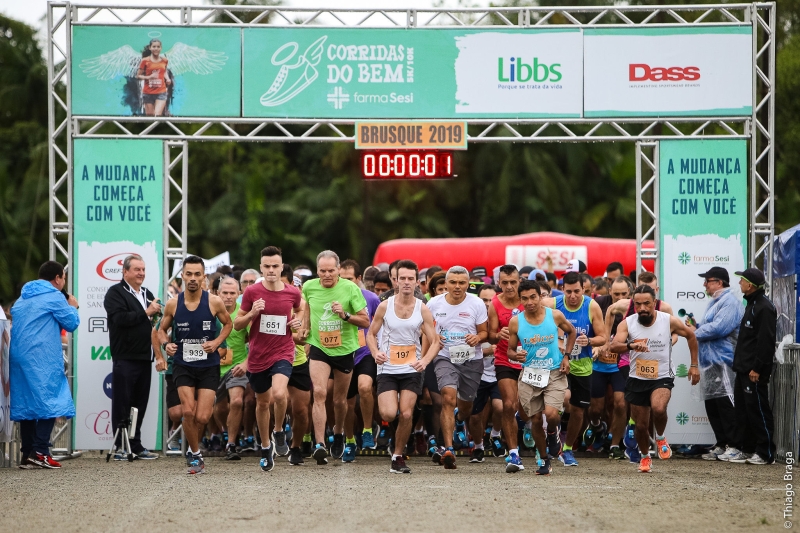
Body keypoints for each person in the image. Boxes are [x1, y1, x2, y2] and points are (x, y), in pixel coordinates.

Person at [610, 285, 700, 473]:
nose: (642, 308)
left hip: (662, 375)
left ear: (654, 303)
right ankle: (644, 457)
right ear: (633, 304)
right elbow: (614, 346)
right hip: (637, 377)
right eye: (638, 304)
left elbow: (691, 335)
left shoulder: (667, 321)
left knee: (659, 408)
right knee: (641, 426)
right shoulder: (627, 323)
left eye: (646, 304)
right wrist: (631, 345)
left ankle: (660, 436)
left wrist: (693, 365)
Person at [158, 256, 232, 474]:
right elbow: (161, 330)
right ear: (182, 275)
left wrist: (217, 342)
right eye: (188, 274)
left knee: (202, 416)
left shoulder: (214, 302)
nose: (192, 278)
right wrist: (166, 345)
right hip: (183, 364)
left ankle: (193, 447)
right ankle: (195, 455)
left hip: (208, 366)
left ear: (203, 277)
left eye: (197, 274)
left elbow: (228, 324)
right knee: (187, 412)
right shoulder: (173, 304)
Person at [234, 247, 303, 471]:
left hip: (283, 351)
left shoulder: (292, 292)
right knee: (262, 403)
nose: (271, 270)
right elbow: (237, 324)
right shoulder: (252, 292)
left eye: (275, 266)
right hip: (257, 356)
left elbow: (301, 309)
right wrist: (253, 313)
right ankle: (265, 446)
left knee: (280, 393)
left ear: (281, 267)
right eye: (267, 266)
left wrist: (297, 322)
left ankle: (279, 430)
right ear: (261, 267)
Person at [367, 260, 440, 473]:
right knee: (389, 414)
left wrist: (424, 361)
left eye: (411, 279)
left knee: (406, 414)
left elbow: (435, 341)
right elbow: (371, 334)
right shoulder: (385, 306)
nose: (406, 283)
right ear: (395, 281)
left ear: (417, 282)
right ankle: (392, 433)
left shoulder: (422, 308)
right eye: (402, 279)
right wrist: (375, 352)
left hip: (411, 368)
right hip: (388, 367)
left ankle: (398, 456)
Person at [300, 250, 369, 465]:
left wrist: (345, 315)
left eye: (331, 270)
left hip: (345, 349)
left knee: (340, 400)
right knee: (319, 392)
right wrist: (304, 329)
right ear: (317, 270)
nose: (327, 275)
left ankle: (338, 432)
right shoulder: (309, 287)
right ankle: (320, 444)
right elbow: (307, 312)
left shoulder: (350, 288)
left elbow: (365, 321)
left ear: (338, 270)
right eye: (322, 271)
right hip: (319, 347)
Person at [11, 261, 79, 469]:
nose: (63, 282)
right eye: (63, 279)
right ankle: (40, 451)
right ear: (58, 278)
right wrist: (73, 307)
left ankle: (27, 454)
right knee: (53, 399)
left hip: (18, 356)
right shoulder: (55, 297)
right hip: (41, 356)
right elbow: (71, 323)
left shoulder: (23, 297)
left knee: (28, 404)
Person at [507, 280, 577, 475]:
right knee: (536, 419)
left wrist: (567, 356)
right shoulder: (516, 322)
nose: (529, 302)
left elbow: (571, 332)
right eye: (524, 298)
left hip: (554, 372)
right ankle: (544, 460)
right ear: (520, 300)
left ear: (540, 296)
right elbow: (510, 351)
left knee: (552, 414)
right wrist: (516, 355)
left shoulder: (554, 315)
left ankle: (553, 433)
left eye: (533, 297)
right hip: (530, 374)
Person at [426, 266, 489, 469]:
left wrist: (477, 337)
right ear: (446, 283)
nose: (457, 287)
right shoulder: (434, 303)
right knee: (447, 397)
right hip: (445, 357)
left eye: (462, 283)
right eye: (453, 282)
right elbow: (426, 329)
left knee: (465, 407)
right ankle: (449, 448)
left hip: (471, 359)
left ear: (468, 284)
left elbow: (484, 333)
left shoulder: (476, 303)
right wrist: (434, 338)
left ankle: (459, 419)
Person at [681, 267, 744, 462]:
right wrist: (697, 326)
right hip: (709, 360)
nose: (704, 284)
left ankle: (735, 445)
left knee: (726, 402)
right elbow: (709, 327)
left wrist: (693, 332)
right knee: (713, 403)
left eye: (707, 281)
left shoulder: (730, 302)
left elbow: (719, 328)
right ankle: (722, 443)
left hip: (724, 360)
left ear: (719, 282)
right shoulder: (715, 302)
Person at [103, 254, 162, 460]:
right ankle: (120, 446)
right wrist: (147, 312)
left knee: (140, 403)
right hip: (125, 357)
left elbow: (156, 324)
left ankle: (135, 444)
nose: (141, 273)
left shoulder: (147, 293)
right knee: (122, 402)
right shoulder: (115, 293)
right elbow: (120, 319)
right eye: (137, 269)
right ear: (125, 271)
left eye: (143, 270)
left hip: (145, 357)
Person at [551, 271, 607, 467]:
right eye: (568, 292)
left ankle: (567, 450)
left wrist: (589, 340)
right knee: (557, 405)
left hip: (582, 365)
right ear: (562, 290)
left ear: (584, 289)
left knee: (578, 410)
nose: (573, 296)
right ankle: (552, 441)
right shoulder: (553, 304)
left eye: (577, 291)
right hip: (558, 364)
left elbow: (603, 337)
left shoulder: (591, 306)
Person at [730, 267, 777, 465]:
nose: (739, 283)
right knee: (744, 411)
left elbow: (765, 342)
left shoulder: (764, 307)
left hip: (754, 371)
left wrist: (758, 368)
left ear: (750, 285)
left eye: (742, 280)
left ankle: (766, 452)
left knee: (758, 410)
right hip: (743, 369)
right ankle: (747, 449)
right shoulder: (752, 304)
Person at [339, 259, 381, 458]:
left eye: (349, 279)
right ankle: (349, 440)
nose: (346, 283)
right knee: (346, 403)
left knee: (365, 388)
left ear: (358, 279)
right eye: (342, 278)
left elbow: (379, 325)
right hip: (342, 353)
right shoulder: (333, 298)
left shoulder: (371, 298)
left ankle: (367, 430)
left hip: (365, 352)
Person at [588, 276, 633, 459]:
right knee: (595, 408)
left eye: (624, 294)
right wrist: (595, 346)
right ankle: (598, 426)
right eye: (616, 294)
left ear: (630, 293)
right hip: (598, 364)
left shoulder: (634, 306)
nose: (620, 297)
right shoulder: (599, 303)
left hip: (619, 364)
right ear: (609, 291)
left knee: (621, 403)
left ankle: (615, 444)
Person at [486, 265, 525, 467]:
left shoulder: (528, 300)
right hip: (504, 359)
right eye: (505, 283)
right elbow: (490, 334)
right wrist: (498, 334)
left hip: (529, 360)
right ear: (499, 283)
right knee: (508, 405)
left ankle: (539, 436)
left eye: (513, 282)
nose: (509, 287)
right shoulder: (495, 303)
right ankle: (513, 453)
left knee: (526, 409)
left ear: (519, 281)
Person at [213, 277, 251, 461]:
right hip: (213, 368)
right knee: (219, 409)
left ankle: (231, 444)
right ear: (217, 293)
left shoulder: (243, 315)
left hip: (237, 366)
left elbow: (256, 342)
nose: (228, 297)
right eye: (224, 293)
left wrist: (245, 364)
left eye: (232, 293)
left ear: (239, 294)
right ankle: (226, 432)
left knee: (236, 402)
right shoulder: (208, 313)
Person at [468, 284, 503, 463]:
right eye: (484, 300)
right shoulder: (472, 321)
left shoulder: (503, 320)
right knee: (474, 416)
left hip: (499, 373)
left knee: (500, 406)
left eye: (491, 300)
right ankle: (479, 446)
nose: (488, 304)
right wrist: (487, 351)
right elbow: (462, 350)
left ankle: (495, 435)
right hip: (477, 374)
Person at [137, 38, 172, 117]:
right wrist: (149, 77)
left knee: (157, 116)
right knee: (150, 118)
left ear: (161, 48)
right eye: (154, 46)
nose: (156, 49)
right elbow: (138, 76)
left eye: (158, 47)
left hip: (161, 92)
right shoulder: (145, 61)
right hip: (148, 92)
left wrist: (167, 78)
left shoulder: (164, 60)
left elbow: (164, 70)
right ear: (150, 48)